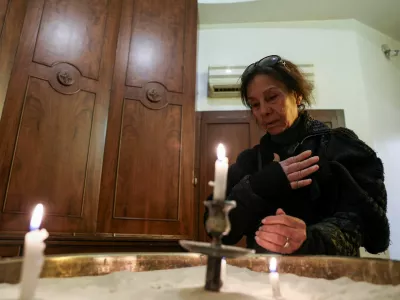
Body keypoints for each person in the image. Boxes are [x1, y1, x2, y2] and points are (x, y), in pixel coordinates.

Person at [205, 55, 390, 256]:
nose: (264, 111)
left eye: (272, 97)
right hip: (260, 279)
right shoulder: (249, 161)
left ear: (297, 95)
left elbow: (373, 233)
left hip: (331, 281)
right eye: (255, 105)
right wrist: (257, 186)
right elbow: (216, 228)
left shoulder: (340, 147)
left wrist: (312, 238)